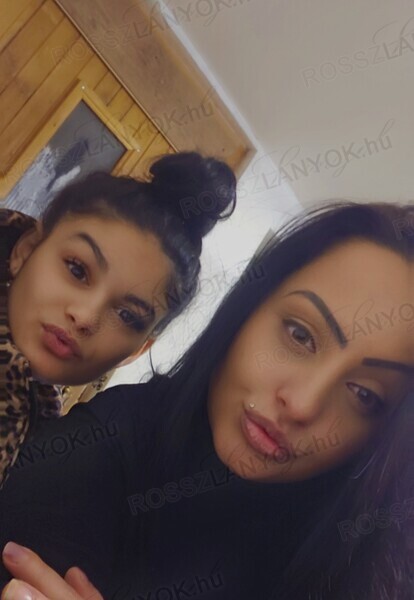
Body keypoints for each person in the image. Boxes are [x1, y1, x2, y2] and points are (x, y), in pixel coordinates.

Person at [0, 200, 412, 600]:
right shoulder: (87, 458)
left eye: (364, 394)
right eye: (300, 335)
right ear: (248, 308)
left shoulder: (368, 551)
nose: (303, 404)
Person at [0, 152, 237, 487]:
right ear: (27, 249)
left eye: (127, 316)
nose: (85, 317)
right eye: (77, 270)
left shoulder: (42, 435)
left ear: (136, 352)